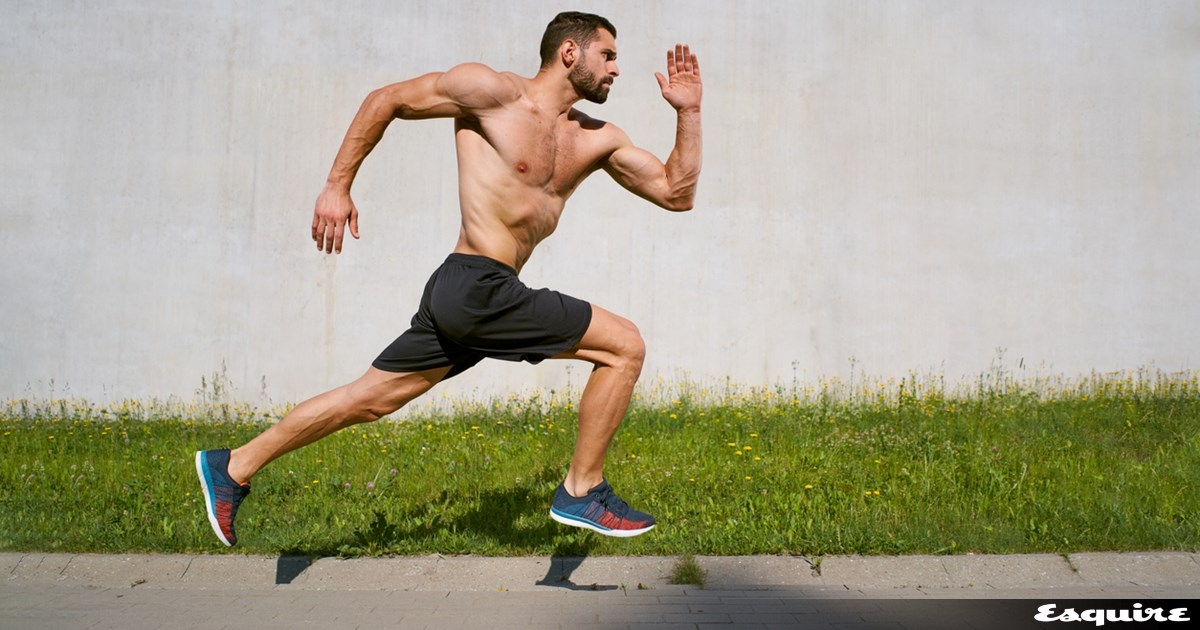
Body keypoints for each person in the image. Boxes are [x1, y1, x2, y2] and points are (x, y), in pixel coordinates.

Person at [195, 11, 702, 546]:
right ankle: (582, 489)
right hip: (475, 284)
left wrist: (688, 112)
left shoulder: (598, 140)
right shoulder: (491, 94)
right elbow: (385, 100)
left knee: (367, 399)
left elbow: (677, 193)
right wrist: (336, 187)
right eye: (609, 55)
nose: (617, 69)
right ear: (569, 53)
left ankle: (232, 466)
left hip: (474, 295)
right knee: (624, 346)